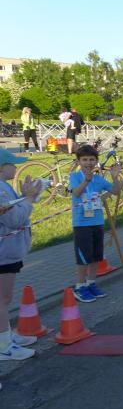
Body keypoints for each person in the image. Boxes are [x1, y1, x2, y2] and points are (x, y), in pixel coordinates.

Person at [0, 149, 44, 364]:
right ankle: (4, 346)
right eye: (12, 164)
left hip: (8, 252)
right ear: (1, 167)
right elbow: (14, 220)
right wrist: (28, 199)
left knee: (4, 299)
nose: (16, 167)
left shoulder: (5, 186)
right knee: (2, 299)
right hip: (3, 253)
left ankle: (6, 335)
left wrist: (27, 197)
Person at [70, 145, 123, 303]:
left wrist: (115, 177)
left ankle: (91, 283)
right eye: (85, 160)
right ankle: (79, 287)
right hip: (81, 224)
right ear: (79, 162)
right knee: (83, 257)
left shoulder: (99, 179)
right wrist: (86, 181)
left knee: (95, 256)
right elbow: (76, 193)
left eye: (92, 159)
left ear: (96, 161)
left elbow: (115, 192)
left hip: (97, 222)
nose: (88, 163)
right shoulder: (75, 176)